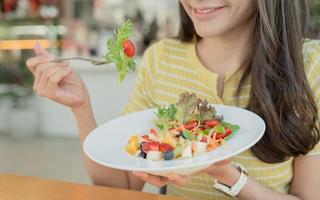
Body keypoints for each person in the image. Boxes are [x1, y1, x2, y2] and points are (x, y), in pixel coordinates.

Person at [26, 0, 320, 199]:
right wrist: (81, 107)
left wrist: (226, 173)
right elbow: (118, 187)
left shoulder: (311, 65)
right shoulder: (161, 59)